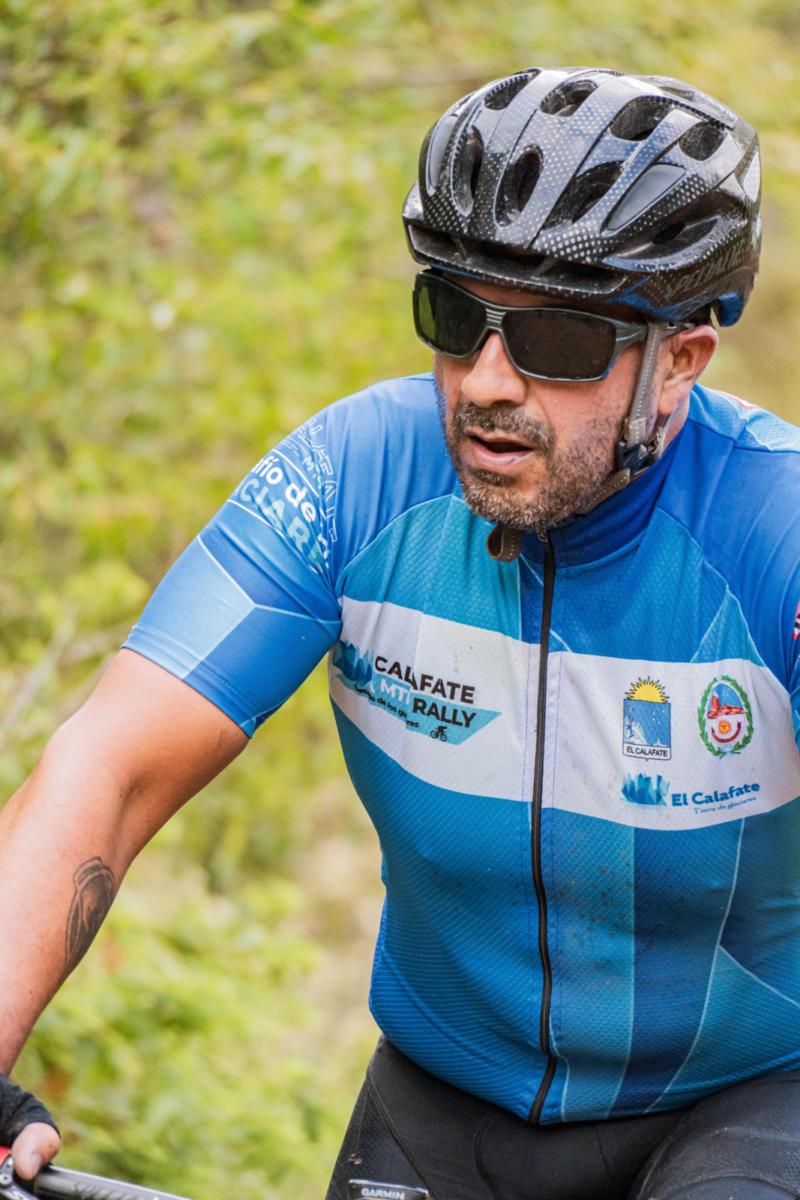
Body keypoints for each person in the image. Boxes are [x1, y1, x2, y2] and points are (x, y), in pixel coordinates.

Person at [2, 64, 800, 1199]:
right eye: (456, 315)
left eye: (558, 340)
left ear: (678, 360)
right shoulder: (354, 476)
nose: (486, 381)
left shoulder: (775, 527)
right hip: (442, 1109)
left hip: (748, 1112)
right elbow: (109, 768)